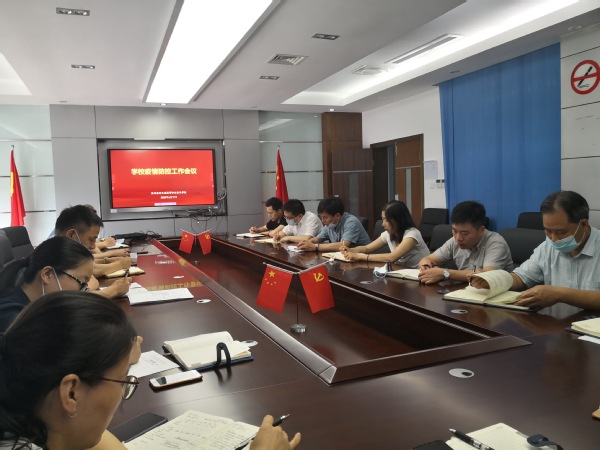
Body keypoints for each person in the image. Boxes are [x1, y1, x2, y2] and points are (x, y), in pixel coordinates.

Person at [0, 292, 301, 450]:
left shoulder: (35, 416)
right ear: (71, 393)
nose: (122, 396)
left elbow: (94, 439)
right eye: (123, 381)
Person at [470, 191, 600, 309]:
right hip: (557, 322)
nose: (553, 239)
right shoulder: (547, 247)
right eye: (548, 231)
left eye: (561, 232)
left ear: (583, 224)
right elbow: (520, 278)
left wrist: (560, 294)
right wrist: (492, 280)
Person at [418, 201, 513, 284]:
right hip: (464, 292)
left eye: (464, 233)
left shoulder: (496, 243)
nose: (458, 238)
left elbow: (486, 276)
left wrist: (445, 273)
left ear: (481, 230)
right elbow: (427, 259)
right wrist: (426, 268)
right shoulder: (455, 241)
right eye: (454, 231)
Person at [54, 205, 131, 298]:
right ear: (71, 235)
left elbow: (91, 281)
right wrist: (114, 290)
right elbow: (73, 299)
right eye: (91, 239)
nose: (93, 246)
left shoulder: (66, 254)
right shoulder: (53, 258)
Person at [340, 201, 430, 268]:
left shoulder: (412, 234)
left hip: (419, 275)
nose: (383, 224)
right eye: (383, 219)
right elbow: (367, 248)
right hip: (401, 273)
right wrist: (351, 250)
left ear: (398, 220)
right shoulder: (388, 234)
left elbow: (392, 257)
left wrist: (360, 257)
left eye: (386, 220)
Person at [297, 197, 370, 252]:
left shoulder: (351, 222)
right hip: (344, 257)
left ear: (337, 216)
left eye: (325, 217)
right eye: (321, 217)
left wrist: (315, 246)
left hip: (363, 260)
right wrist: (308, 242)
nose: (322, 221)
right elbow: (318, 238)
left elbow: (343, 245)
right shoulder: (330, 224)